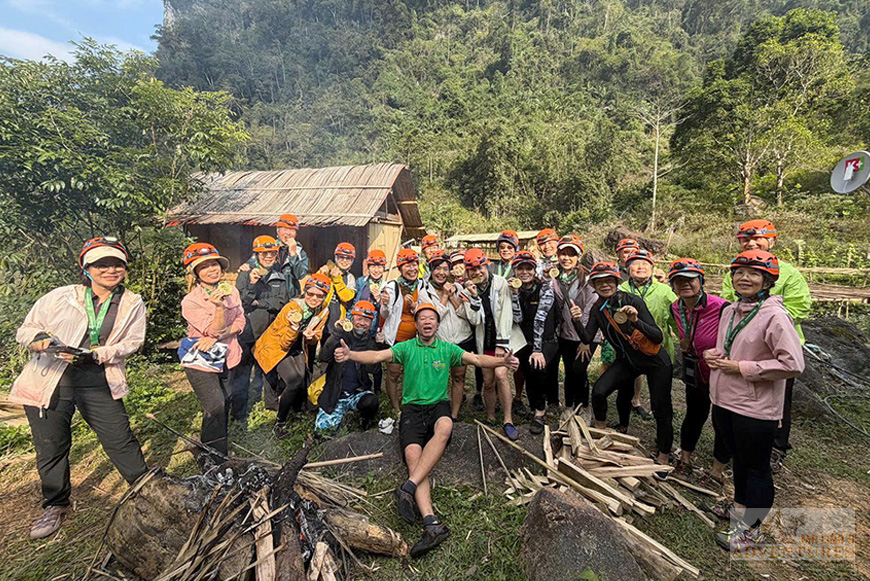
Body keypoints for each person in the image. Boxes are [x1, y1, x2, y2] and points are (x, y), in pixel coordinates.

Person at [333, 302, 520, 557]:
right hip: (411, 410)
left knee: (445, 425)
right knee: (413, 457)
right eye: (422, 319)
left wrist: (503, 361)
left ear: (437, 324)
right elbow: (377, 356)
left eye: (432, 318)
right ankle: (432, 523)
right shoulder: (406, 348)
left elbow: (476, 359)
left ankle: (407, 488)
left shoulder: (447, 349)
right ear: (418, 325)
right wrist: (351, 355)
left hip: (437, 407)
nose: (427, 322)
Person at [13, 237, 149, 540]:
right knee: (51, 444)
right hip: (51, 377)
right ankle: (56, 504)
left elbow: (134, 342)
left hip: (98, 378)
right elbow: (26, 329)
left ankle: (146, 492)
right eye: (101, 264)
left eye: (116, 263)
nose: (110, 269)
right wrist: (39, 339)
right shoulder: (61, 296)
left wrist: (101, 353)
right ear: (86, 268)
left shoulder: (131, 302)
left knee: (120, 438)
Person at [705, 250, 804, 551]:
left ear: (767, 281)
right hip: (724, 399)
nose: (745, 278)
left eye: (753, 274)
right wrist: (715, 355)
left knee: (757, 467)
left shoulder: (774, 316)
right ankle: (739, 509)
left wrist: (743, 368)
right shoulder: (730, 311)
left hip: (756, 406)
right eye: (739, 273)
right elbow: (728, 347)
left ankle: (753, 530)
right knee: (739, 459)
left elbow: (793, 364)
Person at [720, 219, 811, 471]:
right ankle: (738, 445)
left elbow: (800, 306)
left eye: (757, 239)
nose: (751, 243)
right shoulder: (736, 271)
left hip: (775, 347)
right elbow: (729, 301)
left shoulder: (789, 273)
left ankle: (776, 448)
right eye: (745, 240)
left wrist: (764, 322)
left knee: (778, 401)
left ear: (772, 241)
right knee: (740, 396)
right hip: (739, 346)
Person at [578, 262, 673, 469]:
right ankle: (602, 435)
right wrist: (576, 319)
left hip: (655, 360)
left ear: (616, 282)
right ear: (593, 286)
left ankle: (664, 454)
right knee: (600, 391)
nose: (605, 285)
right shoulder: (597, 309)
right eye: (599, 282)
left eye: (608, 280)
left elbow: (657, 336)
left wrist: (635, 320)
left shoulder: (632, 300)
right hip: (627, 361)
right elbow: (586, 336)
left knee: (661, 408)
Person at [180, 243, 247, 465]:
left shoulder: (233, 291)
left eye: (215, 264)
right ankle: (213, 458)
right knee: (214, 405)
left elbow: (241, 321)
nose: (212, 269)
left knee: (225, 402)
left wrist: (220, 335)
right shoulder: (190, 302)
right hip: (202, 360)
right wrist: (218, 308)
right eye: (205, 266)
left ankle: (216, 451)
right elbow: (212, 330)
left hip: (229, 354)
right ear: (196, 273)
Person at [667, 259, 730, 481]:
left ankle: (716, 471)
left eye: (690, 280)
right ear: (672, 285)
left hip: (721, 372)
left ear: (700, 281)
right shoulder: (675, 307)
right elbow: (681, 331)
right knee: (694, 414)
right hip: (695, 370)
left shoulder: (722, 307)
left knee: (721, 421)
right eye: (678, 280)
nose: (684, 284)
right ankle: (685, 459)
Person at [254, 274, 331, 439]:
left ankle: (295, 410)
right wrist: (295, 328)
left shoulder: (323, 310)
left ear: (325, 296)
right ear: (305, 292)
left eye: (319, 295)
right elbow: (283, 343)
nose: (314, 298)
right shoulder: (292, 308)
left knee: (302, 378)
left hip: (297, 346)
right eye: (310, 293)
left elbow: (317, 335)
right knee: (294, 379)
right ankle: (279, 422)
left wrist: (312, 339)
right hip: (276, 347)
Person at [463, 248, 527, 440]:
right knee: (488, 381)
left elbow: (506, 315)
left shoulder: (500, 283)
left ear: (486, 265)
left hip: (503, 337)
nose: (476, 272)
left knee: (501, 375)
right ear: (467, 271)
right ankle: (490, 415)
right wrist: (473, 297)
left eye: (479, 267)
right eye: (471, 269)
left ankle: (508, 419)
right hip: (485, 339)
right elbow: (474, 320)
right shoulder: (469, 288)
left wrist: (502, 344)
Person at [233, 235, 289, 419]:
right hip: (248, 332)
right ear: (256, 255)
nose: (268, 256)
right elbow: (241, 302)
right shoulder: (245, 274)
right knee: (243, 373)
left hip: (268, 331)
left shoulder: (279, 277)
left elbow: (281, 302)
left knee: (269, 369)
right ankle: (239, 413)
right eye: (263, 253)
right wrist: (251, 284)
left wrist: (257, 302)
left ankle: (271, 407)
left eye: (272, 253)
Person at [620, 248, 678, 422]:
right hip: (631, 347)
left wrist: (684, 337)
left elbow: (676, 319)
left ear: (652, 268)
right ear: (628, 268)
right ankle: (625, 419)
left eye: (645, 264)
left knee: (660, 391)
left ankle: (661, 418)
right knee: (627, 385)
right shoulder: (621, 289)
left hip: (659, 347)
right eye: (635, 264)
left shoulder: (664, 291)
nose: (640, 267)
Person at [417, 250, 477, 419]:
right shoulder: (424, 293)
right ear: (431, 270)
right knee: (438, 377)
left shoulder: (458, 288)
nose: (441, 272)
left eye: (445, 269)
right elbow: (431, 320)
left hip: (461, 339)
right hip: (440, 342)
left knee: (459, 378)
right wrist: (444, 297)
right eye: (437, 268)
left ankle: (454, 414)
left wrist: (452, 297)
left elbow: (466, 314)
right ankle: (436, 410)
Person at [509, 251, 559, 434]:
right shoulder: (517, 289)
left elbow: (540, 319)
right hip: (525, 339)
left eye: (528, 268)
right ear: (515, 271)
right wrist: (514, 295)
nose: (524, 272)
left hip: (546, 339)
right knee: (528, 372)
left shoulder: (545, 288)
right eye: (520, 268)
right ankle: (533, 406)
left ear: (534, 270)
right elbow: (518, 317)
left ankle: (540, 411)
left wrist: (537, 349)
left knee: (538, 368)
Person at [549, 235, 599, 412]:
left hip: (586, 333)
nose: (566, 258)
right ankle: (569, 406)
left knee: (579, 370)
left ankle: (583, 406)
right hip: (563, 333)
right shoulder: (553, 276)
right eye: (563, 253)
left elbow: (590, 309)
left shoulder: (587, 279)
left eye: (571, 254)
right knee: (569, 371)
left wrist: (586, 340)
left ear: (578, 256)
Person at [315, 301, 383, 431]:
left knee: (371, 401)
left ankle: (363, 420)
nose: (362, 323)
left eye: (367, 321)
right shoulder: (341, 336)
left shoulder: (369, 342)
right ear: (351, 319)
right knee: (322, 432)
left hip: (357, 394)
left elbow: (375, 370)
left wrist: (378, 347)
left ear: (371, 323)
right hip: (335, 395)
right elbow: (323, 357)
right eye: (359, 319)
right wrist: (336, 334)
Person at [379, 248, 422, 413]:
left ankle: (411, 402)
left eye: (414, 265)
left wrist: (413, 307)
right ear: (400, 268)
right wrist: (384, 303)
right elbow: (385, 314)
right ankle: (396, 407)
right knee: (393, 373)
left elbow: (426, 309)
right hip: (396, 338)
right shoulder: (392, 286)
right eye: (407, 266)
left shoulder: (422, 285)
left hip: (416, 338)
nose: (412, 269)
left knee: (413, 373)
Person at [239, 214, 309, 298]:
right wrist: (246, 266)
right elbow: (254, 262)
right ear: (278, 231)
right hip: (269, 296)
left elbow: (300, 275)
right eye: (285, 229)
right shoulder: (268, 246)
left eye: (292, 230)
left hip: (290, 297)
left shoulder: (299, 251)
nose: (289, 233)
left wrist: (293, 254)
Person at [355, 248, 387, 391]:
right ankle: (363, 385)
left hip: (375, 328)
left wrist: (379, 299)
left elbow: (388, 311)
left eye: (379, 266)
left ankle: (378, 389)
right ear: (368, 267)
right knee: (359, 357)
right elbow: (354, 304)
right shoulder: (361, 282)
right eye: (373, 266)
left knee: (375, 360)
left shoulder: (387, 286)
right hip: (360, 325)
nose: (376, 270)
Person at [319, 242, 357, 332]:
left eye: (348, 258)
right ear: (336, 258)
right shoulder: (326, 270)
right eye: (341, 257)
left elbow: (346, 297)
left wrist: (337, 279)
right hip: (321, 318)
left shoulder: (350, 277)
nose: (344, 261)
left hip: (338, 322)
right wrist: (321, 275)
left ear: (352, 261)